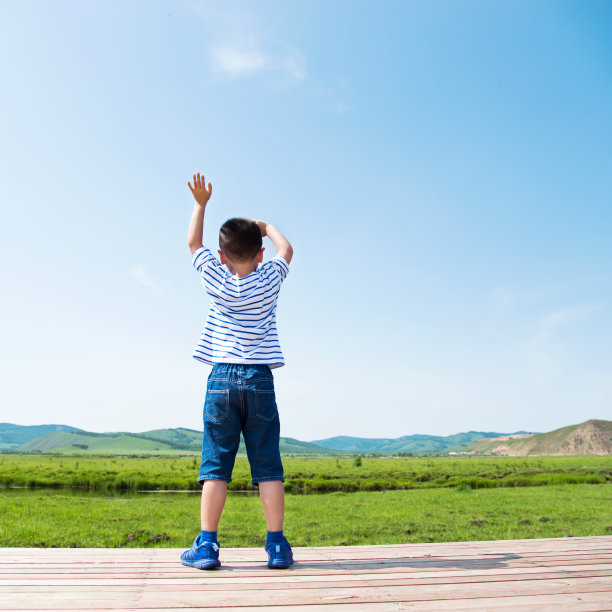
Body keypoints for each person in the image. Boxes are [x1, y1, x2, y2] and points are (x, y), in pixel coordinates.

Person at [180, 172, 294, 570]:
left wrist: (200, 203)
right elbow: (288, 249)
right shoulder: (270, 279)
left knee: (215, 465)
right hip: (260, 379)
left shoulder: (215, 278)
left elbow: (194, 243)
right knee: (268, 466)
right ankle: (277, 547)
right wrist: (266, 227)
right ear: (260, 254)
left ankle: (207, 547)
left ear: (222, 256)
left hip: (222, 378)